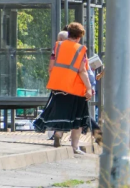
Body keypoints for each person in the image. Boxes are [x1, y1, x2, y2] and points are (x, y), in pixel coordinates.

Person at [34, 22, 93, 154]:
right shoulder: (80, 49)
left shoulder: (58, 46)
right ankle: (75, 147)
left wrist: (56, 78)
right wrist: (89, 88)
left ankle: (58, 133)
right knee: (77, 118)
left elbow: (51, 67)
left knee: (61, 112)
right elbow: (82, 71)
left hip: (58, 85)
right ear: (79, 37)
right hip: (76, 88)